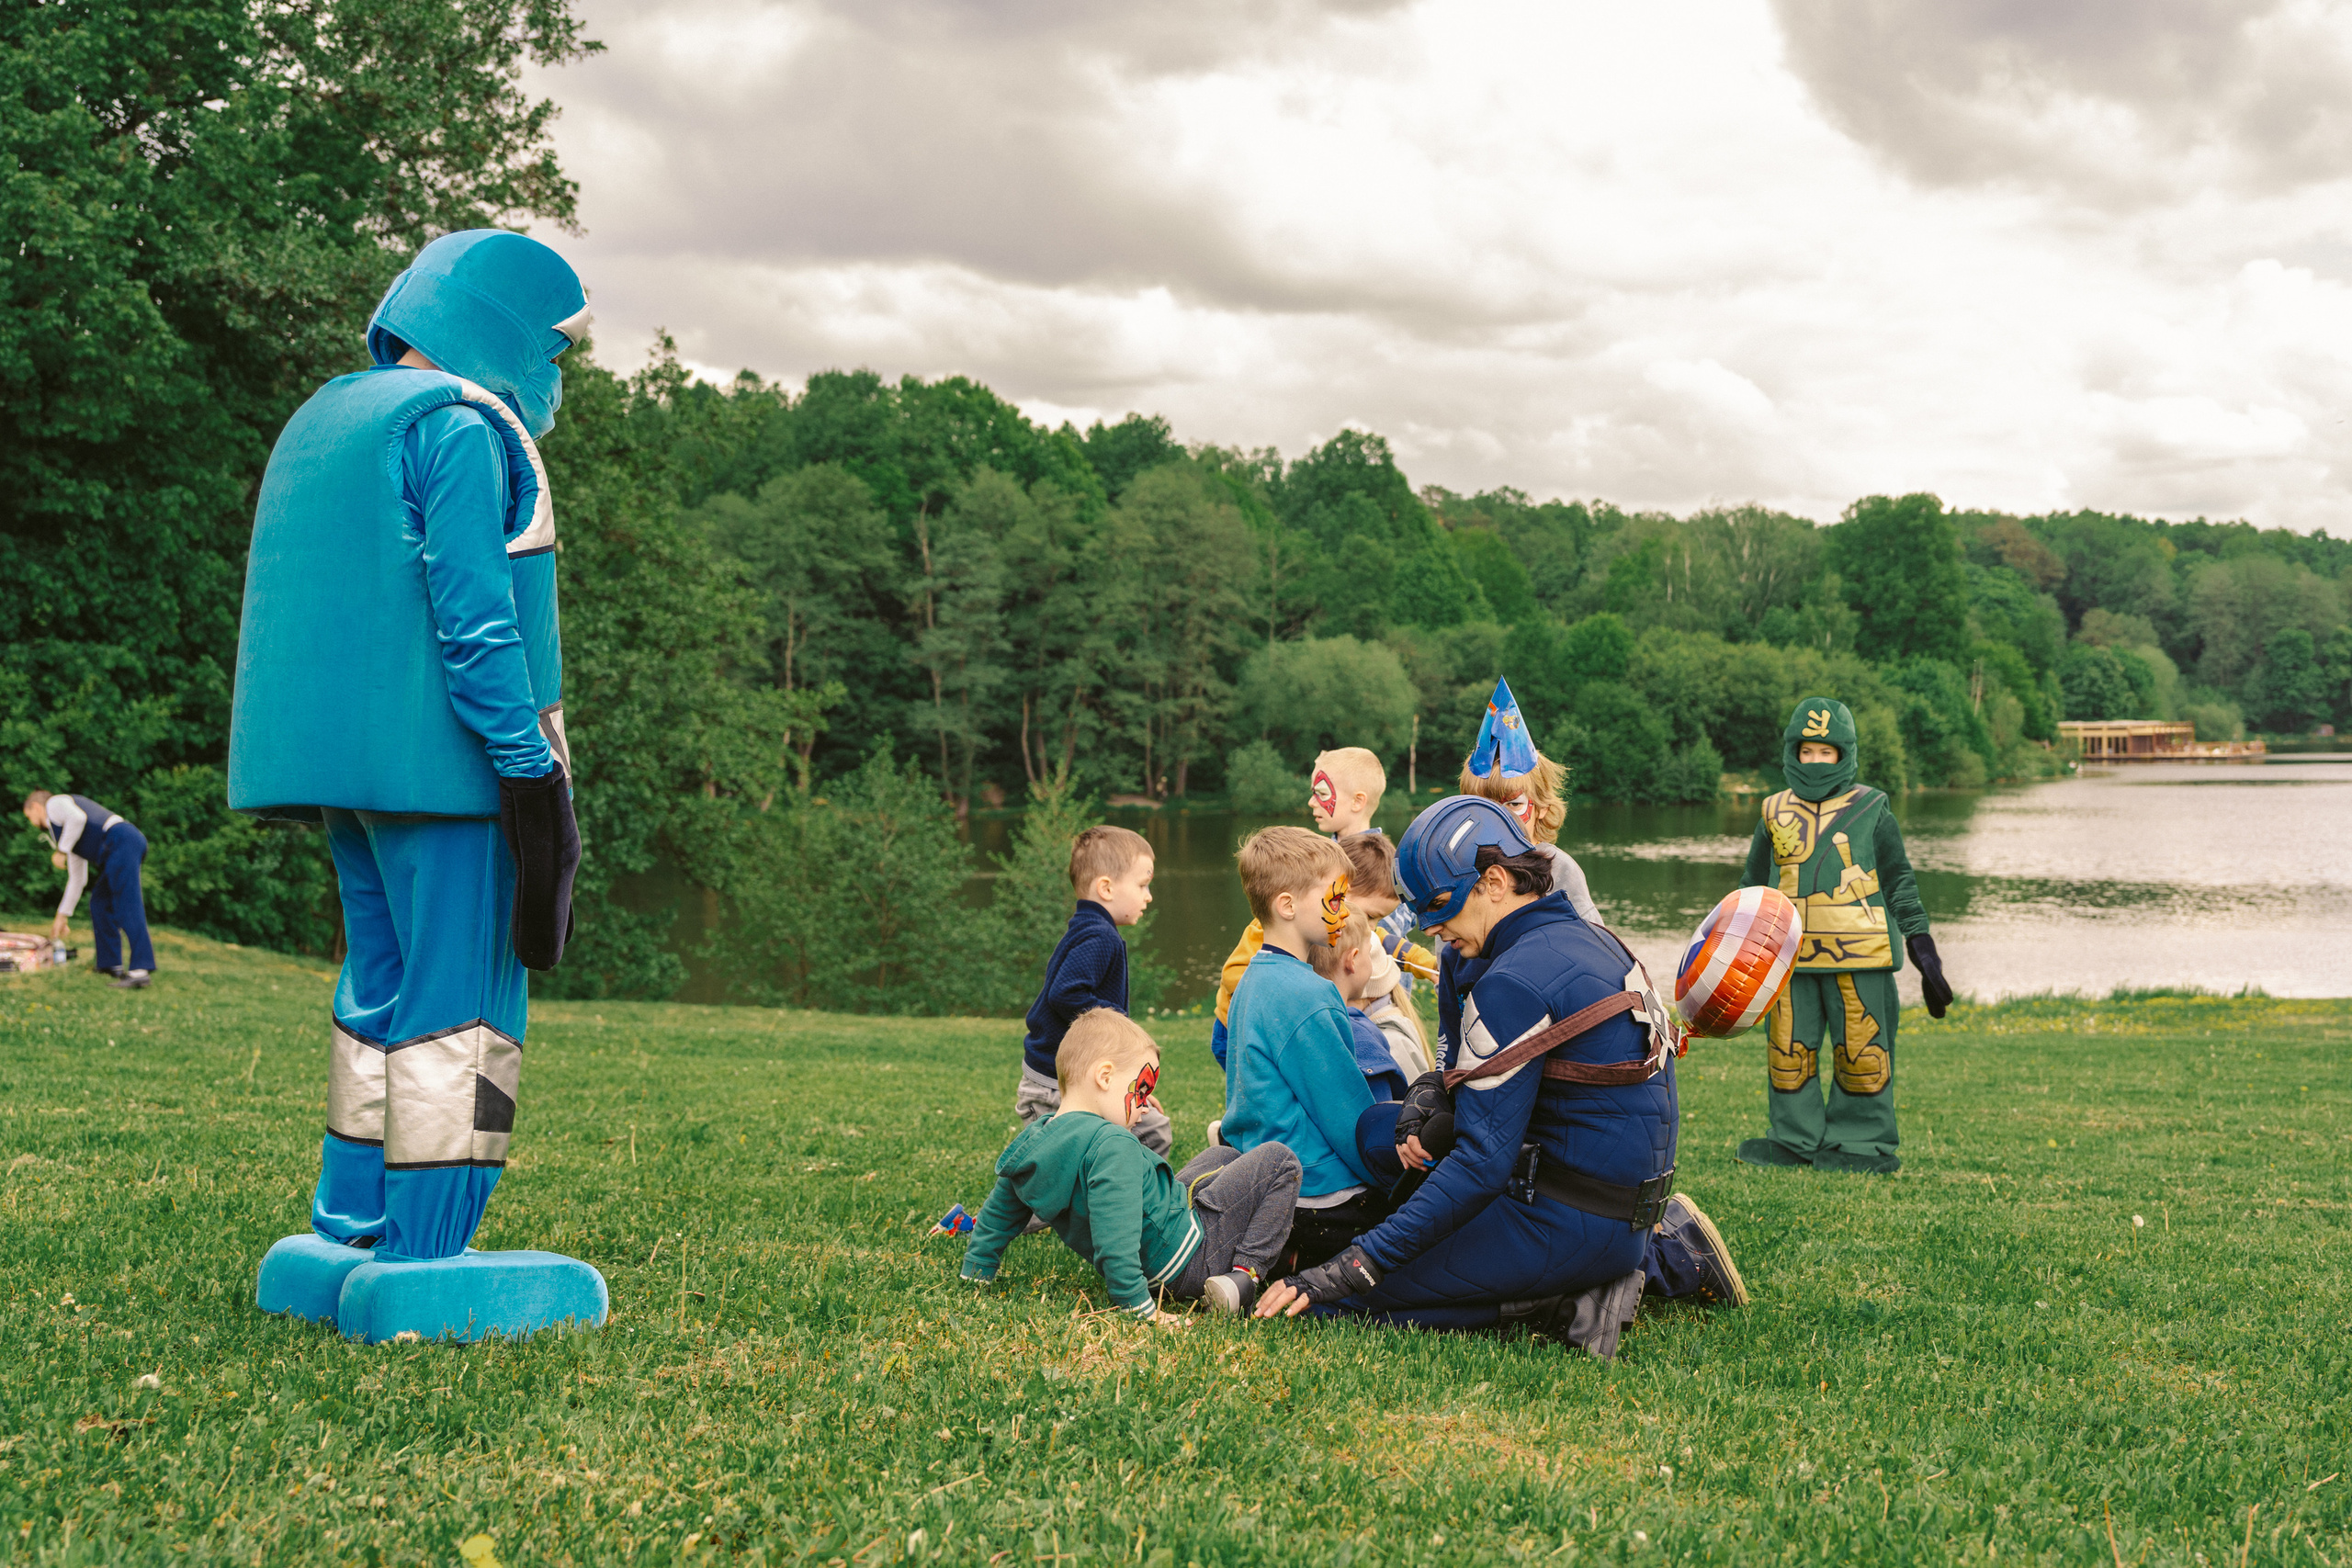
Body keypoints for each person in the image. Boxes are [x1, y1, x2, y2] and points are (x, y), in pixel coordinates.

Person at [235, 230, 604, 1342]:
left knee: (377, 992)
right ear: (498, 322)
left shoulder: (332, 418)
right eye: (555, 347)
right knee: (465, 1006)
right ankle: (427, 1249)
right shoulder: (460, 426)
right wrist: (527, 768)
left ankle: (345, 1227)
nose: (556, 373)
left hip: (346, 775)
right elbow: (474, 617)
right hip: (451, 774)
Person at [1253, 796, 1747, 1356]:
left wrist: (1350, 1268)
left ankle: (1582, 1295)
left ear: (1493, 881)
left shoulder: (1515, 978)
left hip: (1569, 1218)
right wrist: (1428, 1092)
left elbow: (1480, 1165)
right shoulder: (1589, 938)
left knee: (1332, 1303)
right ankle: (1617, 1269)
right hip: (1610, 1207)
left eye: (1440, 904)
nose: (1432, 927)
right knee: (1380, 1132)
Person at [962, 1010, 1302, 1319]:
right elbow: (1116, 1236)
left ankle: (1231, 1232)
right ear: (1105, 1076)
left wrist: (975, 1273)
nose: (1145, 1108)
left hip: (1157, 1257)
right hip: (1190, 1262)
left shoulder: (1037, 1143)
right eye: (1140, 1091)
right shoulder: (1113, 1144)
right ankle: (1243, 1277)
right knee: (1279, 1161)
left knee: (1223, 1157)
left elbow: (996, 1218)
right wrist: (1139, 1307)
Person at [1735, 697, 1952, 1176]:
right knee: (1788, 1052)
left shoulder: (1873, 807)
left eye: (1825, 752)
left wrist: (1924, 950)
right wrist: (1734, 951)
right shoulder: (1772, 810)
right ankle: (1794, 1138)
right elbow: (1750, 888)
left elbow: (1899, 881)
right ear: (1793, 750)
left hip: (1863, 955)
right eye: (1807, 751)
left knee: (1863, 1049)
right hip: (1789, 957)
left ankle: (1862, 1142)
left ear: (1844, 754)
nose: (1814, 762)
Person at [1219, 826, 1394, 1268]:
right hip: (1314, 1190)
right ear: (1288, 905)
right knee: (1412, 1227)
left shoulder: (1251, 982)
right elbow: (1344, 1113)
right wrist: (1391, 1176)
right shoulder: (1309, 995)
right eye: (1334, 899)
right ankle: (1293, 1256)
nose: (1342, 911)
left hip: (1260, 1176)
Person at [1210, 748, 1430, 1066]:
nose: (1312, 802)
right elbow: (1238, 976)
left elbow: (1382, 937)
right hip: (1238, 1027)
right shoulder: (1289, 918)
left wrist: (1425, 964)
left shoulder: (1372, 864)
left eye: (1322, 793)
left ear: (1357, 800)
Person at [1016, 824, 1171, 1156]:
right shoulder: (1099, 936)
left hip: (1081, 1079)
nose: (1149, 896)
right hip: (1056, 1085)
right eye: (1143, 885)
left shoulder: (1092, 929)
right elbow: (1066, 993)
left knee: (1152, 1129)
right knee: (1055, 1171)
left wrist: (1130, 1084)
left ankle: (1132, 1203)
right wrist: (1119, 1030)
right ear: (1106, 888)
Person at [1458, 675, 1601, 924]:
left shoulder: (1558, 869)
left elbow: (1595, 942)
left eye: (1513, 804)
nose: (1499, 819)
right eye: (1484, 806)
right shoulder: (1461, 869)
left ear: (1542, 807)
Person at [21, 791, 155, 987]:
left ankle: (140, 971)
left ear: (35, 807)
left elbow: (78, 818)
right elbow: (78, 879)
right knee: (100, 903)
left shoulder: (54, 804)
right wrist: (62, 916)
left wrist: (61, 851)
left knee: (127, 904)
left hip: (122, 840)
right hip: (118, 847)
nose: (32, 823)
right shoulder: (67, 833)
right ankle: (110, 965)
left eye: (29, 816)